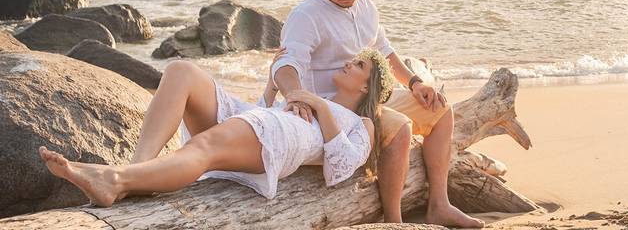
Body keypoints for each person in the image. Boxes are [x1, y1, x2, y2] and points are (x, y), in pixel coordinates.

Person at [272, 0, 484, 227]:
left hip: (369, 96)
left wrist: (414, 83)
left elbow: (383, 49)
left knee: (438, 108)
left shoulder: (366, 4)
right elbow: (287, 63)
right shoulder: (305, 15)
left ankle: (439, 205)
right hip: (336, 109)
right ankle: (393, 222)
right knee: (399, 127)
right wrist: (295, 95)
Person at [39, 47, 395, 206]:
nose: (349, 64)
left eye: (358, 65)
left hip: (284, 138)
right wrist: (273, 86)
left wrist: (319, 106)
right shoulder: (314, 97)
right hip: (265, 122)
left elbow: (342, 168)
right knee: (181, 72)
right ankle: (136, 169)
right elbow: (261, 113)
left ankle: (115, 181)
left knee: (203, 148)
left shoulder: (361, 122)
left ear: (367, 86)